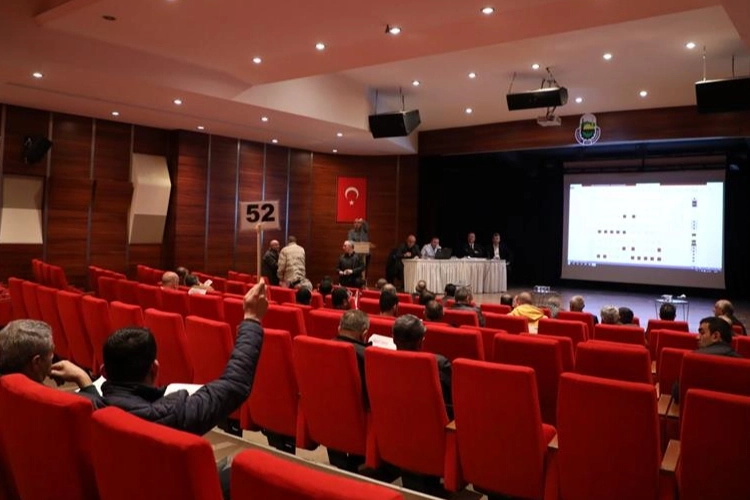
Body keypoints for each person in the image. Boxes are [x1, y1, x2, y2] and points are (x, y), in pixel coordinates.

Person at [0, 319, 96, 394]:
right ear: (36, 362)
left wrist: (42, 372)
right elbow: (93, 409)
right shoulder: (55, 403)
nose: (53, 358)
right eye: (51, 353)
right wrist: (83, 378)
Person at [392, 315, 452, 419]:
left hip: (393, 417)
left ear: (393, 339)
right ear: (420, 342)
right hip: (430, 421)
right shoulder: (439, 364)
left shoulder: (379, 359)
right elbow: (450, 402)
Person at [671, 316, 741, 402]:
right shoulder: (741, 361)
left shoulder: (693, 358)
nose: (697, 337)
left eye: (702, 333)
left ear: (715, 336)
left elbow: (677, 393)